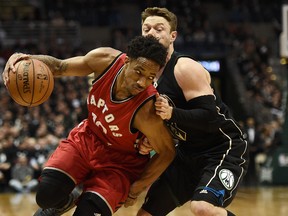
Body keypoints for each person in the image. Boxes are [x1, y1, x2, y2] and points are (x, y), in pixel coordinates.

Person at [2, 35, 175, 216]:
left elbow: (167, 151)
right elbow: (59, 67)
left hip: (119, 165)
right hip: (87, 139)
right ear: (126, 61)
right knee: (46, 197)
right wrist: (25, 58)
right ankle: (69, 199)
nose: (142, 82)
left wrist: (139, 186)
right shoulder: (104, 61)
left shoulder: (147, 110)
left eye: (150, 77)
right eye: (139, 72)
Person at [136, 7, 249, 216]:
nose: (151, 32)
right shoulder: (146, 76)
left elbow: (211, 119)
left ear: (172, 36)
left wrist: (173, 113)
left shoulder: (184, 68)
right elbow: (163, 124)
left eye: (159, 29)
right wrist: (149, 139)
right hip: (187, 153)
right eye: (146, 28)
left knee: (202, 208)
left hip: (222, 148)